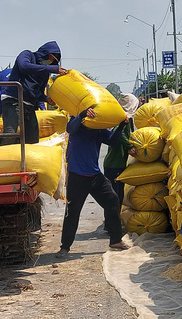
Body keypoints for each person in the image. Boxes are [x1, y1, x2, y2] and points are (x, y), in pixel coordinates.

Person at [58, 107, 131, 257]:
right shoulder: (76, 124)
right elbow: (70, 129)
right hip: (77, 175)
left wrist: (122, 126)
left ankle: (115, 240)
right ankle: (65, 247)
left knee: (112, 200)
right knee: (72, 212)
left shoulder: (98, 128)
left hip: (94, 175)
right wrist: (82, 114)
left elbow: (112, 141)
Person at [0, 41, 65, 145]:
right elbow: (24, 66)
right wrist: (50, 68)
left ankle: (26, 160)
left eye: (52, 61)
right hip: (13, 100)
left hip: (28, 104)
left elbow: (37, 92)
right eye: (50, 58)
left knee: (32, 138)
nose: (49, 62)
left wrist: (46, 99)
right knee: (10, 133)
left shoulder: (44, 73)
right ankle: (3, 159)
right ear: (44, 53)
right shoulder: (27, 55)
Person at [103, 93, 139, 211]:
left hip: (116, 163)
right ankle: (112, 225)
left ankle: (112, 222)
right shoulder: (123, 120)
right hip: (114, 164)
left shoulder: (123, 118)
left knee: (116, 196)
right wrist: (129, 146)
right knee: (116, 197)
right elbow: (119, 133)